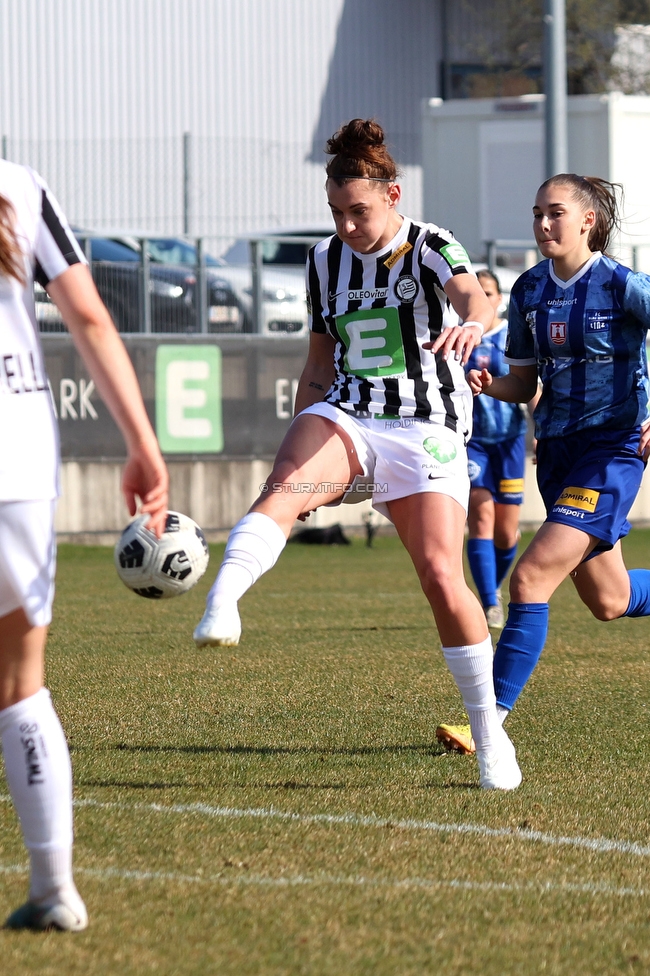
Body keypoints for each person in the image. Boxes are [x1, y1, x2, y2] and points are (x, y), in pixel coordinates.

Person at [193, 118, 522, 792]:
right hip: (349, 412)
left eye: (360, 211)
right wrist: (307, 443)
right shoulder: (323, 261)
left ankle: (490, 735)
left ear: (393, 195)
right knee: (282, 487)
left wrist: (470, 323)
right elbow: (319, 359)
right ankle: (221, 604)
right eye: (337, 213)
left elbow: (472, 295)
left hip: (426, 425)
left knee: (439, 574)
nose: (347, 227)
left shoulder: (430, 244)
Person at [0, 159, 169, 931]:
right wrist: (142, 441)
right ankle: (53, 886)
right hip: (20, 457)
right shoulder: (17, 185)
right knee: (20, 682)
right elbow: (91, 317)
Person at [466, 173, 650, 734]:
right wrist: (488, 384)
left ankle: (488, 722)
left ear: (587, 221)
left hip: (612, 449)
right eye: (537, 213)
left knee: (530, 578)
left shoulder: (625, 285)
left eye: (556, 213)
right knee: (610, 600)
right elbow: (523, 383)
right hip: (557, 451)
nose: (544, 224)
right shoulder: (526, 292)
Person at [436, 270, 538, 756]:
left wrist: (539, 422)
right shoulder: (456, 337)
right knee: (480, 516)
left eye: (490, 293)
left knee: (507, 530)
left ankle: (494, 589)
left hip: (512, 444)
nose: (484, 300)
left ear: (495, 299)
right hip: (474, 442)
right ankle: (491, 598)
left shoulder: (510, 336)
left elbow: (528, 387)